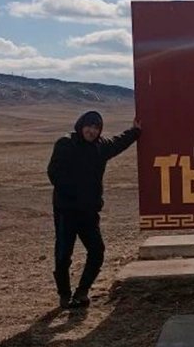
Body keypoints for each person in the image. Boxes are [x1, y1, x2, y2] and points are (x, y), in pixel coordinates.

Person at [47, 111, 141, 309]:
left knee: (97, 251)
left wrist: (135, 131)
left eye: (96, 127)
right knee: (63, 254)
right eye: (89, 126)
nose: (92, 130)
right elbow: (54, 172)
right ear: (81, 125)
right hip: (66, 210)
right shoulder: (66, 144)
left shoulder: (100, 147)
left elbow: (118, 143)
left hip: (88, 213)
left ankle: (82, 292)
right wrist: (73, 193)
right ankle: (64, 294)